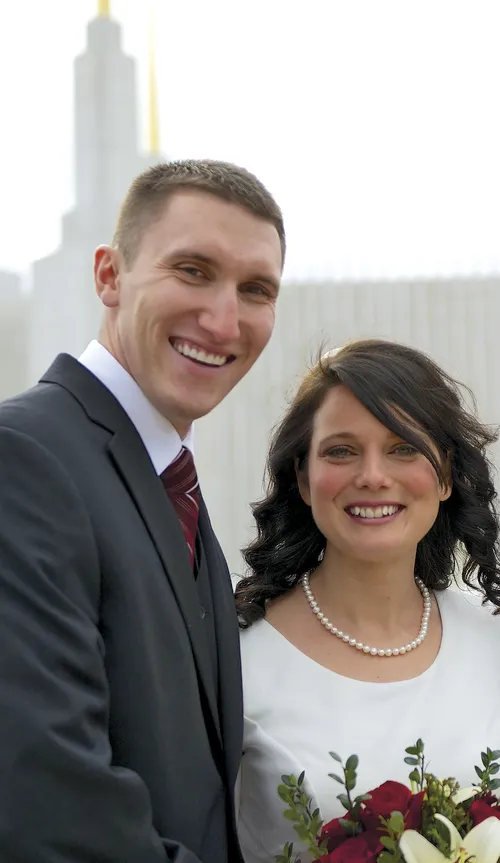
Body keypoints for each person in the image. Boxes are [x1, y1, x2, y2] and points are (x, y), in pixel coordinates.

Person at [0, 159, 284, 862]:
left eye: (255, 289)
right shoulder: (23, 457)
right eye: (192, 270)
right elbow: (50, 795)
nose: (224, 320)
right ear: (109, 275)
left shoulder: (176, 492)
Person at [234, 339, 500, 863]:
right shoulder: (235, 661)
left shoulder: (493, 637)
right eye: (341, 451)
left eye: (403, 447)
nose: (373, 475)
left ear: (445, 475)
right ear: (304, 481)